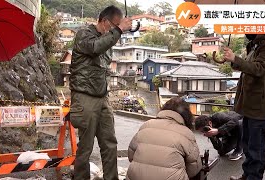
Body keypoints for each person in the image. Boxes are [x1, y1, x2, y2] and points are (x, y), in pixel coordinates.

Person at [69, 5, 132, 180]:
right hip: (84, 96)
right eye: (115, 26)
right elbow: (96, 47)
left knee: (109, 142)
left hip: (102, 97)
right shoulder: (84, 34)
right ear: (105, 22)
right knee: (86, 146)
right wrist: (119, 30)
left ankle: (111, 178)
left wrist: (116, 31)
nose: (117, 31)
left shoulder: (108, 39)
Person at [224, 34, 265, 180]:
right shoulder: (255, 47)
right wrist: (232, 59)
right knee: (248, 144)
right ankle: (247, 174)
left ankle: (254, 177)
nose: (248, 30)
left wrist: (235, 58)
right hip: (250, 106)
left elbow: (259, 69)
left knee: (256, 147)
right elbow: (247, 67)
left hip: (260, 107)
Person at [126, 97, 202, 180]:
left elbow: (131, 155)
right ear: (187, 115)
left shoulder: (146, 125)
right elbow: (195, 167)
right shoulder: (186, 133)